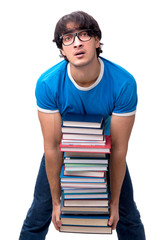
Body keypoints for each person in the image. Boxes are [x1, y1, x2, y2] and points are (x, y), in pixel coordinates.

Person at [19, 11, 146, 240]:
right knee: (39, 213)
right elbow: (52, 145)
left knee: (128, 216)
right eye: (68, 38)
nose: (77, 42)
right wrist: (57, 203)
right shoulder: (48, 84)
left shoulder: (123, 83)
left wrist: (114, 202)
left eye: (84, 35)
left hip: (105, 149)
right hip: (64, 149)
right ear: (62, 49)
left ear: (97, 41)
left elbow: (118, 149)